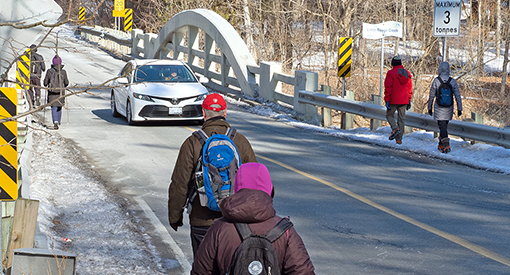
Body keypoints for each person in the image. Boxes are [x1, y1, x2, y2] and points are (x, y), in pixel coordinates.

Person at [167, 93, 257, 257]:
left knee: (204, 268)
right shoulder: (240, 141)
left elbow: (180, 183)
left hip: (202, 221)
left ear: (203, 113)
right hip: (236, 222)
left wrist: (175, 216)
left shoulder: (192, 143)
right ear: (225, 112)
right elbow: (255, 182)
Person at [191, 162, 316, 275]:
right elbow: (303, 272)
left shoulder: (219, 229)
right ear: (270, 189)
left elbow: (200, 272)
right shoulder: (285, 231)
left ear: (236, 188)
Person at [427, 61, 463, 153]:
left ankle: (446, 145)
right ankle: (441, 144)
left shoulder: (436, 81)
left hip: (439, 107)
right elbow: (457, 96)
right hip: (449, 107)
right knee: (444, 126)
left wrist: (429, 107)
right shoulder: (452, 81)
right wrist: (459, 108)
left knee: (442, 126)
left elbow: (431, 95)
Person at [384, 55, 413, 144]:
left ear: (392, 63)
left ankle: (395, 128)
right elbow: (409, 88)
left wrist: (387, 99)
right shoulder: (407, 73)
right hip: (404, 100)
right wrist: (409, 99)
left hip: (393, 99)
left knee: (389, 115)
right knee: (401, 119)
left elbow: (388, 87)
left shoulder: (391, 73)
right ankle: (399, 139)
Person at [44, 55, 69, 130]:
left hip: (52, 92)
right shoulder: (63, 72)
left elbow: (45, 82)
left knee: (54, 106)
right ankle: (58, 121)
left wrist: (46, 84)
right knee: (59, 106)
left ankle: (55, 121)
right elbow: (66, 82)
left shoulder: (49, 71)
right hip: (61, 92)